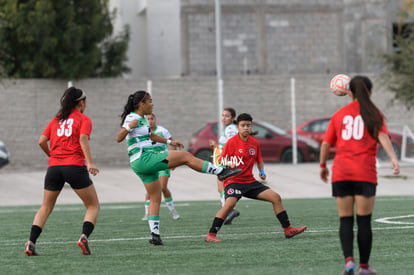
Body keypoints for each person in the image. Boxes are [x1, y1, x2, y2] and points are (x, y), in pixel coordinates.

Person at [116, 90, 241, 246]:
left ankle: (155, 235)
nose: (152, 104)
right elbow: (119, 138)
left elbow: (151, 136)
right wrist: (128, 127)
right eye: (150, 101)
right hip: (144, 158)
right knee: (186, 157)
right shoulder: (133, 118)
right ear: (141, 104)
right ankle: (222, 171)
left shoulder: (141, 119)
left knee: (155, 197)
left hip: (138, 164)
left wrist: (169, 142)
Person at [319, 75, 400, 275]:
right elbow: (382, 136)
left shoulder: (339, 115)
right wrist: (393, 158)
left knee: (345, 220)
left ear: (349, 92)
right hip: (364, 172)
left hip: (342, 173)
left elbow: (326, 143)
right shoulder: (373, 113)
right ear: (370, 93)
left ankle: (348, 262)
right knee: (364, 221)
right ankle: (364, 267)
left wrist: (322, 165)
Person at [205, 113, 307, 242]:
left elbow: (259, 160)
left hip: (250, 182)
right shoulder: (231, 143)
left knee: (276, 198)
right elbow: (221, 161)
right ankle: (211, 235)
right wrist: (228, 164)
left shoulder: (254, 143)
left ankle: (288, 230)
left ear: (251, 126)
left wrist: (262, 171)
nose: (246, 128)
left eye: (248, 125)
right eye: (243, 125)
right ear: (238, 127)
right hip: (234, 181)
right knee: (229, 205)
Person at [24, 87, 100, 256]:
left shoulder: (56, 119)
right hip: (74, 166)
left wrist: (53, 156)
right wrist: (90, 162)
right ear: (81, 103)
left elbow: (41, 141)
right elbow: (82, 139)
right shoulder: (83, 119)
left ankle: (31, 242)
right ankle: (84, 237)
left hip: (54, 168)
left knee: (45, 207)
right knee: (93, 205)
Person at [142, 113, 180, 221]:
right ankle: (146, 213)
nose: (150, 121)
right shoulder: (143, 132)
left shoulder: (163, 131)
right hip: (150, 162)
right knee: (151, 189)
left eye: (152, 118)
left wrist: (173, 159)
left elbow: (172, 143)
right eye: (148, 119)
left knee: (162, 187)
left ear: (155, 119)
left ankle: (172, 210)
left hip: (163, 160)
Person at [209, 107, 240, 225]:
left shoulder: (230, 129)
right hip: (224, 160)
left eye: (227, 116)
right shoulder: (229, 128)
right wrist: (216, 146)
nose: (224, 118)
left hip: (226, 161)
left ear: (233, 118)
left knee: (222, 187)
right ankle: (228, 210)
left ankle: (228, 211)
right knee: (223, 187)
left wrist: (217, 145)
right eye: (222, 115)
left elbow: (233, 145)